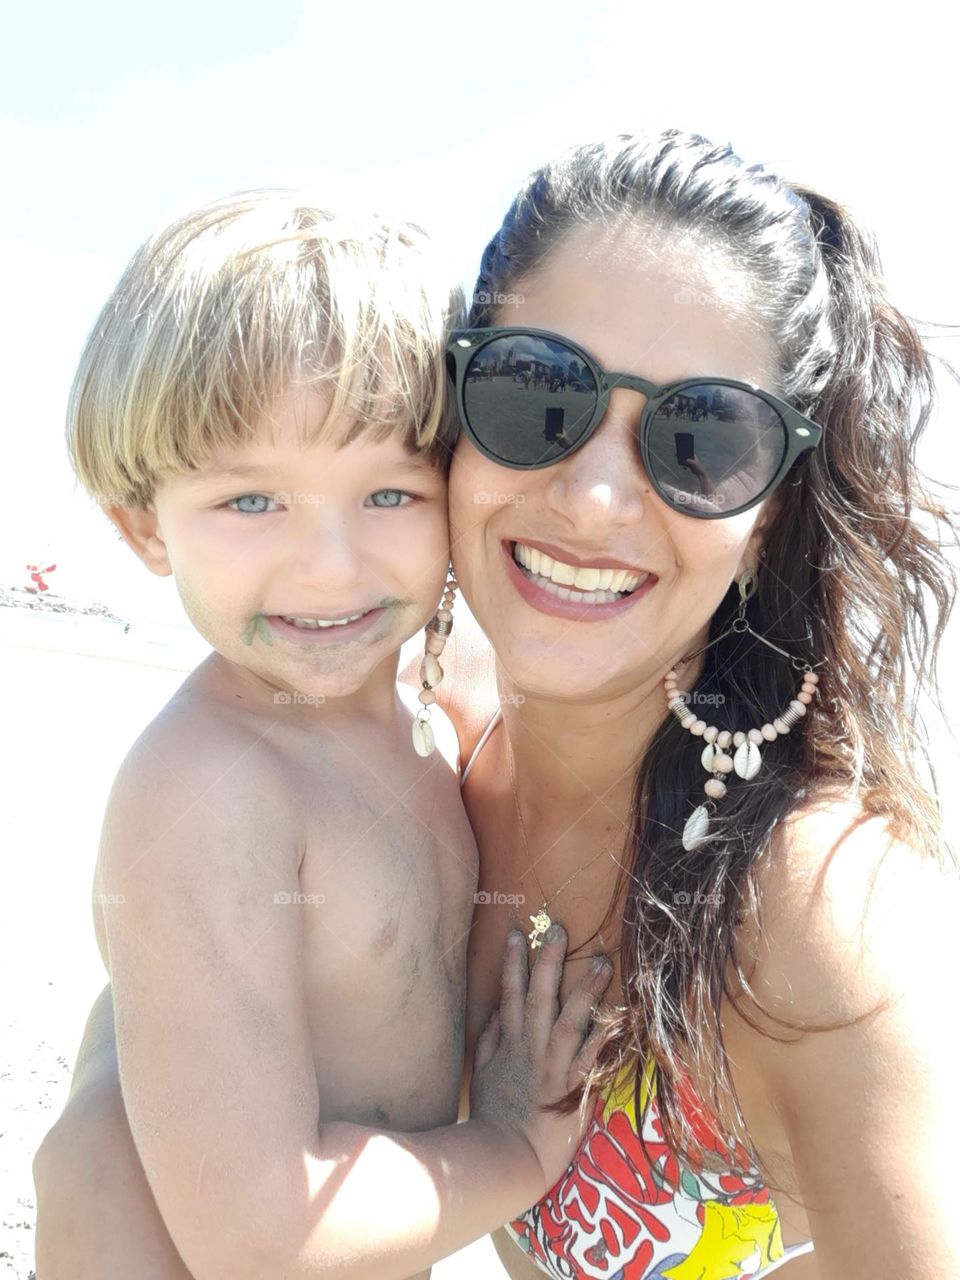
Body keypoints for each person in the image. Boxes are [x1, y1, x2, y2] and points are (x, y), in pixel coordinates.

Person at [36, 129, 960, 1279]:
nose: (597, 494)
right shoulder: (425, 741)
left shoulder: (819, 905)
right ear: (456, 419)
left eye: (705, 436)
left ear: (769, 506)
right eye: (537, 392)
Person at [30, 190, 613, 1280]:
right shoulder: (208, 791)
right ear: (143, 525)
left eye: (391, 492)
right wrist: (512, 1143)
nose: (331, 567)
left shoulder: (438, 711)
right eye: (253, 503)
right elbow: (265, 1233)